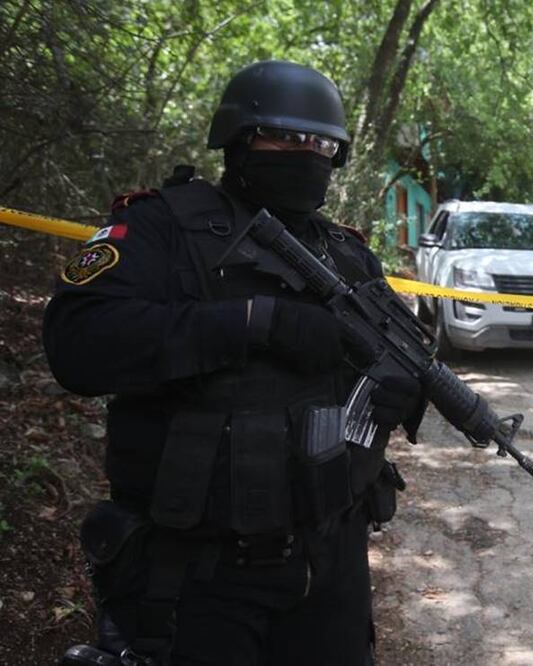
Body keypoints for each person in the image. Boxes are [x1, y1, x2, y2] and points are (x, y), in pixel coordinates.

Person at [43, 60, 424, 665]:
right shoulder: (159, 226)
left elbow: (386, 358)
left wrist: (397, 394)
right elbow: (78, 342)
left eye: (321, 143)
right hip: (197, 575)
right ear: (241, 140)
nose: (307, 154)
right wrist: (255, 323)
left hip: (330, 567)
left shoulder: (349, 254)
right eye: (287, 137)